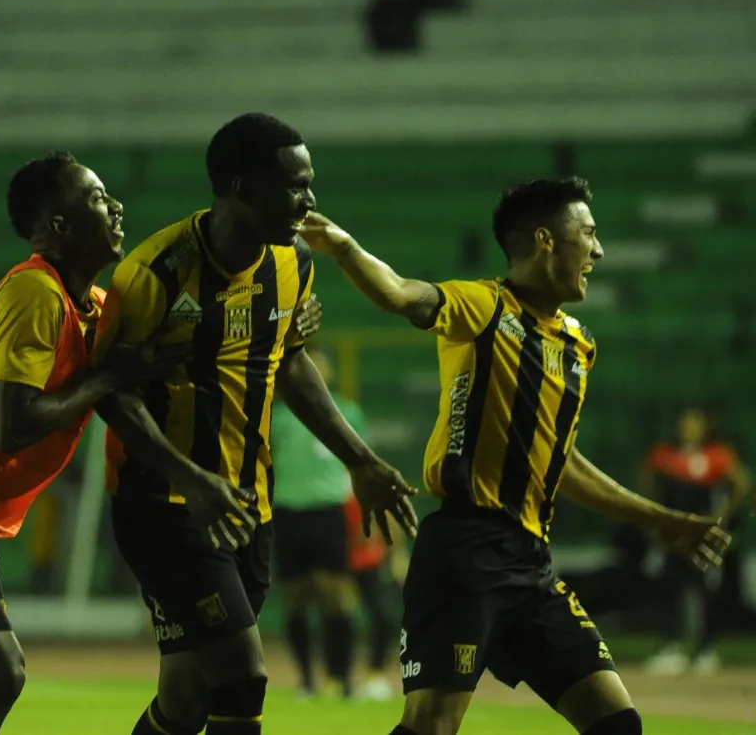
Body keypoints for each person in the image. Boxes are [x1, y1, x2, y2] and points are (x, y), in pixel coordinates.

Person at [0, 151, 320, 735]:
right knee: (0, 674)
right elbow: (14, 425)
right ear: (58, 226)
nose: (116, 206)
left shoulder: (95, 309)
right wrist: (108, 377)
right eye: (98, 198)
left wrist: (278, 328)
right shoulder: (35, 294)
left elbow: (163, 359)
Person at [300, 177, 732, 735]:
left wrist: (661, 519)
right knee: (430, 727)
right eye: (589, 235)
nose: (598, 251)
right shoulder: (482, 307)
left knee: (619, 723)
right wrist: (345, 248)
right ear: (547, 241)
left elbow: (562, 462)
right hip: (464, 553)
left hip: (531, 564)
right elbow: (401, 293)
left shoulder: (578, 343)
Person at [91, 112, 419, 735]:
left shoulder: (291, 263)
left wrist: (360, 461)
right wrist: (191, 477)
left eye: (309, 184)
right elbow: (113, 393)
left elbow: (290, 364)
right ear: (240, 188)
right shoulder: (154, 272)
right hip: (167, 507)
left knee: (185, 696)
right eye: (294, 186)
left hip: (250, 505)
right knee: (242, 680)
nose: (309, 200)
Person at [269, 346, 365, 699]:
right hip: (289, 512)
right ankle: (306, 678)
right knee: (295, 597)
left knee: (336, 593)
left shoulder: (348, 412)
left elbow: (361, 461)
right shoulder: (278, 417)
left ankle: (341, 676)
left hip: (328, 511)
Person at [640, 405, 751, 676]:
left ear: (706, 427)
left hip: (704, 536)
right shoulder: (665, 454)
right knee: (670, 586)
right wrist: (654, 514)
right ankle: (672, 646)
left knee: (706, 590)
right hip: (673, 534)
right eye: (685, 422)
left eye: (694, 423)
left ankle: (705, 650)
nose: (688, 427)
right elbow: (646, 480)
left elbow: (742, 483)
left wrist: (720, 517)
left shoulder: (717, 455)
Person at [343, 493, 407, 701]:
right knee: (342, 620)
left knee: (383, 616)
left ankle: (374, 675)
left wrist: (397, 556)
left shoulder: (374, 491)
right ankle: (340, 680)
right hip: (341, 564)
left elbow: (391, 525)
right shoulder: (337, 492)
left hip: (370, 565)